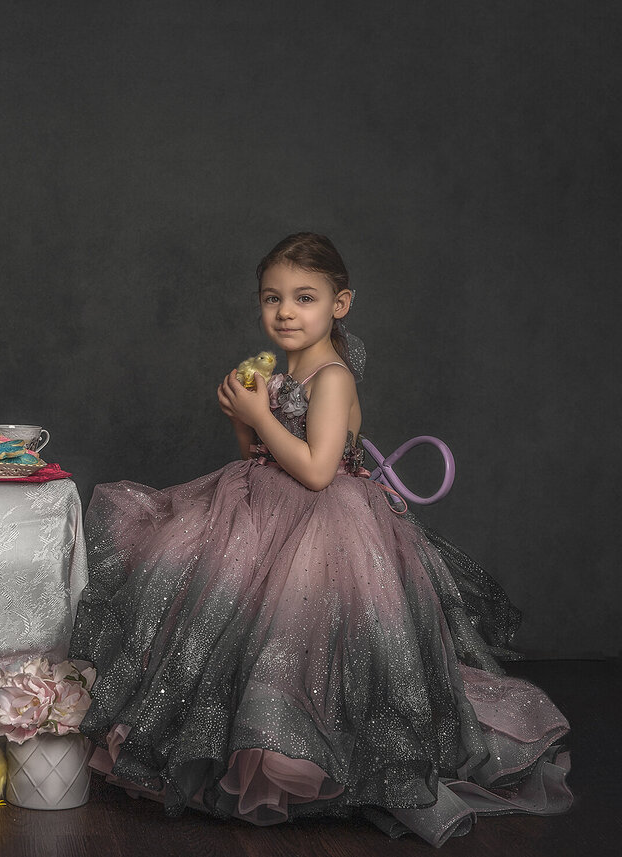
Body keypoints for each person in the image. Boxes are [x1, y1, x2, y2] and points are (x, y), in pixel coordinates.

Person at [67, 233, 572, 846]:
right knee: (240, 628)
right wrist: (244, 420)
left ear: (341, 304)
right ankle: (246, 750)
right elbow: (261, 459)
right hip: (262, 513)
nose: (285, 312)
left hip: (329, 524)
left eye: (304, 298)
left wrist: (258, 417)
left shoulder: (332, 377)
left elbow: (315, 470)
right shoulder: (285, 369)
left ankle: (315, 760)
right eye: (272, 298)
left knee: (306, 635)